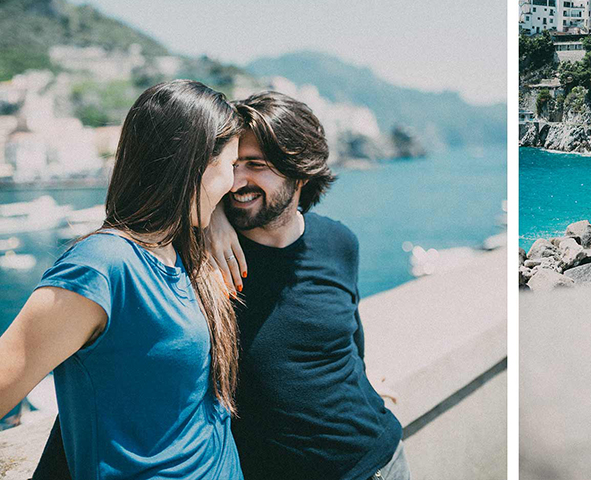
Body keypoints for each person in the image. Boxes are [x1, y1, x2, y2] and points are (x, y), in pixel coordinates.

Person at [34, 91, 409, 480]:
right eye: (232, 164)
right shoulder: (193, 259)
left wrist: (362, 386)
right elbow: (114, 373)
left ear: (300, 172)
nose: (235, 182)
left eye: (255, 165)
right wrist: (210, 217)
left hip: (382, 456)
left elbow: (347, 344)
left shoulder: (339, 242)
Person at [0, 80, 244, 480]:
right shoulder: (102, 265)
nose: (234, 184)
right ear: (192, 164)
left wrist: (213, 216)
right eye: (229, 167)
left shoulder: (182, 253)